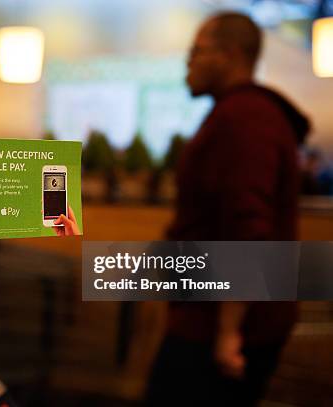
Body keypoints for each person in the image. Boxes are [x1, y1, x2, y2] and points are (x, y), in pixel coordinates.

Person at [146, 12, 310, 406]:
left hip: (222, 330)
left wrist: (228, 333)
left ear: (230, 54)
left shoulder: (244, 119)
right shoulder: (241, 114)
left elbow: (248, 232)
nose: (188, 61)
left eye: (196, 51)